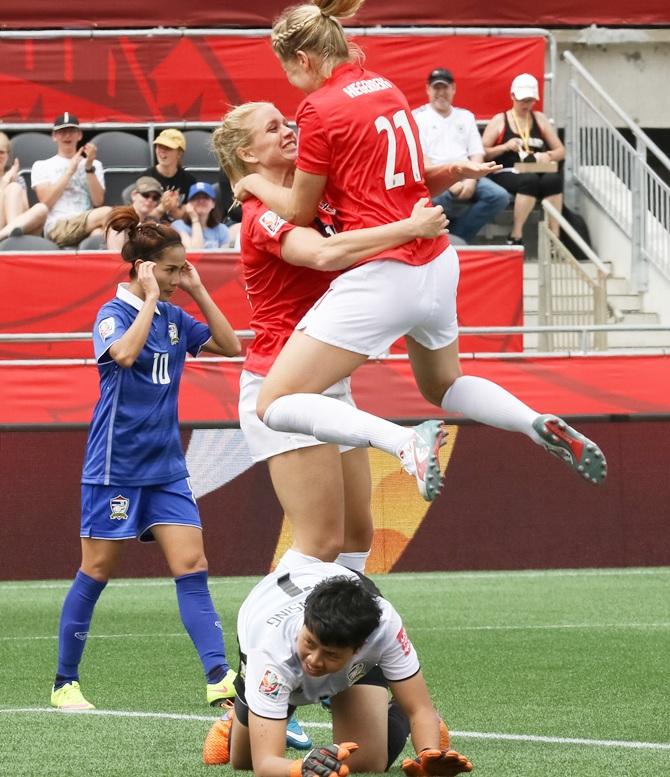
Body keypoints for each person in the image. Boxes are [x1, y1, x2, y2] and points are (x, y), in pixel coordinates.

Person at [231, 0, 608, 497]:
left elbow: (300, 212)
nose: (292, 87)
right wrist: (453, 170)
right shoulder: (384, 87)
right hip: (437, 260)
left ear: (302, 59)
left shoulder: (319, 107)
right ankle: (532, 421)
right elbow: (404, 179)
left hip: (389, 271)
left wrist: (253, 180)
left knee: (273, 403)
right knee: (444, 384)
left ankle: (404, 442)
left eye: (287, 71)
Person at [211, 101, 446, 749]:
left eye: (288, 120)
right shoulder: (262, 215)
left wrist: (447, 175)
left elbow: (369, 188)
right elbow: (323, 255)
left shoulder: (299, 192)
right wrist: (408, 228)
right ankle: (252, 686)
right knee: (316, 539)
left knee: (358, 535)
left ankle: (335, 660)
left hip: (323, 378)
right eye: (271, 129)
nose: (288, 127)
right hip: (280, 385)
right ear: (249, 154)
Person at [50, 207, 241, 712]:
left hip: (166, 468)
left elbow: (230, 343)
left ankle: (219, 678)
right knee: (96, 569)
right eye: (172, 269)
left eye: (182, 269)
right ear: (143, 267)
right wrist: (152, 299)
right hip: (114, 467)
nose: (179, 277)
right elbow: (127, 356)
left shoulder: (178, 316)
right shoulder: (111, 315)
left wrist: (198, 291)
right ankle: (65, 682)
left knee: (192, 565)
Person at [202, 552, 474, 776]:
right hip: (269, 608)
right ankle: (241, 713)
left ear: (360, 648)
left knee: (366, 763)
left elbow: (420, 708)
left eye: (330, 655)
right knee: (244, 760)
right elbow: (264, 765)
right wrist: (303, 767)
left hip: (346, 597)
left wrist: (427, 754)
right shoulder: (270, 653)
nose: (314, 661)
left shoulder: (382, 629)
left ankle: (389, 712)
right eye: (309, 643)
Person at [412, 68, 510, 244]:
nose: (441, 93)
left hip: (468, 173)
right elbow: (421, 156)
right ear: (428, 89)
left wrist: (472, 179)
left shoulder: (466, 116)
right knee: (436, 199)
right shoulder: (419, 117)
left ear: (453, 89)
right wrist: (449, 180)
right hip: (436, 175)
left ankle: (458, 236)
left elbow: (477, 152)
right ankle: (441, 239)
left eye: (445, 88)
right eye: (436, 88)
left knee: (499, 196)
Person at [481, 73, 565, 246]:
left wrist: (547, 155)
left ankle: (555, 237)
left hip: (533, 167)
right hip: (507, 170)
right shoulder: (500, 121)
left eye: (530, 100)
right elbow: (482, 152)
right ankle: (516, 234)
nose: (526, 105)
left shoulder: (539, 119)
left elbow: (561, 151)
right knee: (529, 181)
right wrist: (504, 146)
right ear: (513, 97)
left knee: (554, 180)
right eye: (523, 100)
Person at [31, 112, 111, 248]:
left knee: (98, 235)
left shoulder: (95, 164)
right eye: (62, 132)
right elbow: (46, 202)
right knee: (109, 213)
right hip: (57, 226)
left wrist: (89, 167)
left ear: (79, 135)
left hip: (88, 223)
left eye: (71, 131)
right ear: (54, 136)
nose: (67, 136)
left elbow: (98, 201)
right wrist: (70, 171)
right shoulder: (41, 165)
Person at [0, 132, 49, 241]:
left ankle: (9, 238)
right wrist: (4, 182)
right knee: (13, 187)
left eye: (1, 152)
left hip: (16, 230)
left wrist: (12, 183)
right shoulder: (8, 178)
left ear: (8, 155)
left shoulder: (17, 179)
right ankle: (10, 240)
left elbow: (24, 215)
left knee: (42, 208)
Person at [142, 128, 197, 223]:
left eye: (168, 147)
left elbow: (197, 216)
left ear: (179, 153)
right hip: (151, 232)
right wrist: (161, 208)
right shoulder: (145, 178)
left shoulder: (189, 181)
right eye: (159, 146)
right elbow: (139, 218)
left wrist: (180, 213)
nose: (162, 151)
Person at [105, 176, 164, 251]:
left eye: (155, 198)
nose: (150, 200)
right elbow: (116, 254)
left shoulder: (154, 223)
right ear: (134, 195)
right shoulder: (121, 217)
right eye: (145, 195)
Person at [172, 182, 231, 249]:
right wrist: (195, 220)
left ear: (213, 204)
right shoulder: (178, 226)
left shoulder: (222, 229)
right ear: (188, 204)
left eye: (205, 197)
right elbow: (195, 251)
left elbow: (224, 258)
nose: (201, 201)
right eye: (196, 198)